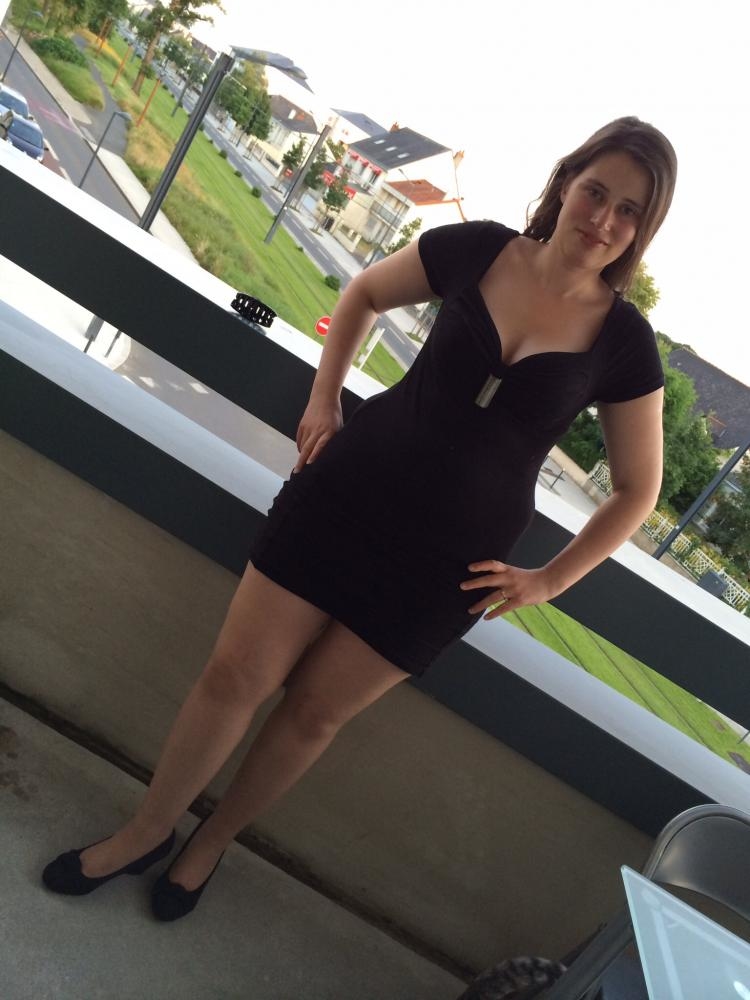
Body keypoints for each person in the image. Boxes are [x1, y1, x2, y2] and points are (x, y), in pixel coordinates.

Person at [43, 116, 677, 921]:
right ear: (566, 183)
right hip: (344, 495)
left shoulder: (624, 343)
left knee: (313, 716)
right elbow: (364, 294)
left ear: (642, 230)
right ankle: (145, 830)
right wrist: (323, 398)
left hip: (446, 567)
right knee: (236, 675)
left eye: (629, 210)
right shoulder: (479, 248)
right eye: (596, 192)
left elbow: (636, 490)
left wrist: (551, 580)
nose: (604, 219)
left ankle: (210, 844)